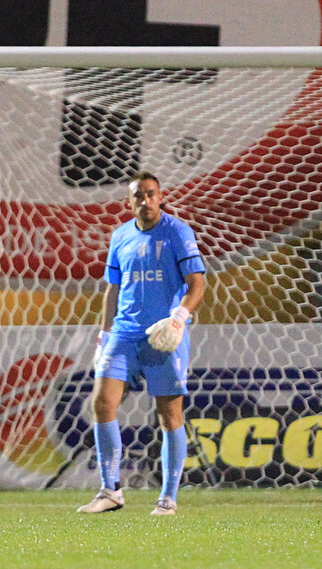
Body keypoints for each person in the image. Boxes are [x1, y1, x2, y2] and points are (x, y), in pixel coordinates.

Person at [78, 171, 206, 516]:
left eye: (150, 194)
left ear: (160, 196)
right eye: (138, 196)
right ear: (129, 201)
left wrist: (179, 317)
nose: (145, 201)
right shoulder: (120, 236)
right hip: (123, 333)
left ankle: (167, 497)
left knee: (169, 414)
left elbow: (198, 284)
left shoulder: (177, 232)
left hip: (163, 336)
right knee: (102, 403)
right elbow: (112, 289)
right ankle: (110, 490)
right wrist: (103, 336)